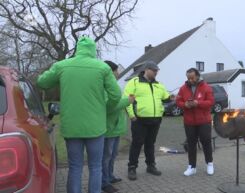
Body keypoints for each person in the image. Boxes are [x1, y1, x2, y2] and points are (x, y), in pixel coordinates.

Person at [37, 36, 122, 193]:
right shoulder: (102, 68)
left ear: (77, 49)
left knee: (75, 166)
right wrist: (105, 108)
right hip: (96, 126)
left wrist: (60, 80)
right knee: (95, 166)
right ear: (93, 50)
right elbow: (116, 95)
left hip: (72, 126)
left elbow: (42, 82)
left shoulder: (62, 66)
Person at [124, 61, 172, 180]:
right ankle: (132, 168)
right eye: (154, 70)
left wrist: (171, 97)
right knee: (137, 143)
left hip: (155, 119)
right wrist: (131, 114)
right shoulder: (134, 82)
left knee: (150, 144)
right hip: (139, 119)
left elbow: (165, 97)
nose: (156, 73)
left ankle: (151, 166)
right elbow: (127, 99)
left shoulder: (159, 84)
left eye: (157, 71)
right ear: (146, 70)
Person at [101, 61, 135, 193]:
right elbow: (109, 107)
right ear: (110, 71)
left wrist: (126, 100)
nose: (118, 73)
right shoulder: (103, 86)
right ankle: (104, 182)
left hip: (115, 128)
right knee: (106, 156)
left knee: (112, 154)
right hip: (108, 128)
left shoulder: (112, 85)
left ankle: (110, 176)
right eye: (116, 71)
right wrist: (127, 101)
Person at [176, 68, 215, 176]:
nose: (190, 80)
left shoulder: (206, 87)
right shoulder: (183, 88)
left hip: (204, 121)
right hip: (189, 122)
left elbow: (211, 102)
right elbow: (178, 101)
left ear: (198, 76)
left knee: (206, 142)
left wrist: (198, 103)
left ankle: (210, 164)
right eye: (188, 78)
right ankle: (192, 167)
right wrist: (185, 105)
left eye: (192, 77)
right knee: (191, 144)